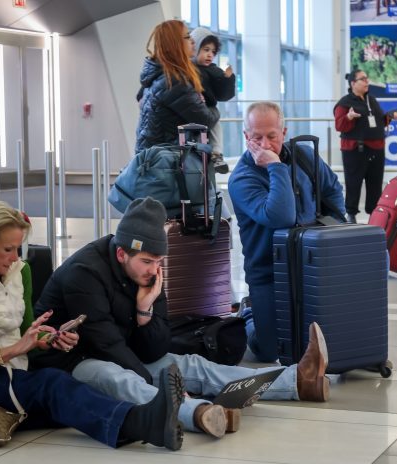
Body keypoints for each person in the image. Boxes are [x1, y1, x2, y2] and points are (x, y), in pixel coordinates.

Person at [31, 197, 332, 440]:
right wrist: (164, 385)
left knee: (189, 364)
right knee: (119, 379)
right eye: (147, 261)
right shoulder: (84, 273)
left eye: (159, 261)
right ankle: (196, 413)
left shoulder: (150, 274)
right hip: (72, 360)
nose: (154, 269)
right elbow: (105, 345)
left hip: (120, 351)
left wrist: (144, 311)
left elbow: (157, 348)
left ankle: (298, 381)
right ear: (121, 254)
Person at [0, 200, 185, 450]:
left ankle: (139, 419)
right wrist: (16, 349)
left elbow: (25, 331)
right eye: (7, 249)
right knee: (52, 385)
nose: (15, 257)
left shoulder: (20, 272)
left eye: (18, 248)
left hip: (15, 369)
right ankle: (140, 423)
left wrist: (49, 338)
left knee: (66, 393)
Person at [228, 101, 345, 362]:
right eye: (257, 137)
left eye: (272, 136)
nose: (265, 145)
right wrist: (275, 166)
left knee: (320, 337)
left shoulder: (304, 155)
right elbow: (281, 217)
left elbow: (332, 189)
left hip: (310, 264)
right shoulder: (242, 178)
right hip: (269, 272)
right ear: (246, 136)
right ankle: (249, 312)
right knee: (269, 351)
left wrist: (334, 230)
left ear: (284, 132)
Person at [135, 19, 219, 152]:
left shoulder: (160, 76)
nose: (192, 41)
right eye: (187, 37)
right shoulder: (174, 81)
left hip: (154, 156)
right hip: (166, 159)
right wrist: (213, 108)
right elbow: (206, 120)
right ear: (175, 43)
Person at [334, 69, 397, 223]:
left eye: (367, 78)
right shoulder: (345, 103)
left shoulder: (371, 100)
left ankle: (374, 214)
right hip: (355, 150)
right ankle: (351, 214)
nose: (367, 82)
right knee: (353, 183)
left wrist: (390, 116)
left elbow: (379, 120)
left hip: (376, 149)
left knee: (375, 183)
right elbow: (339, 125)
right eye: (363, 79)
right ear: (353, 83)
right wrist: (349, 116)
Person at [189, 27, 236, 174]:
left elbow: (224, 95)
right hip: (194, 109)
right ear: (194, 47)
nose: (210, 55)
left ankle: (217, 155)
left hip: (208, 110)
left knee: (215, 126)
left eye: (213, 52)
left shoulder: (214, 71)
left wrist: (228, 79)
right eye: (206, 50)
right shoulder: (186, 69)